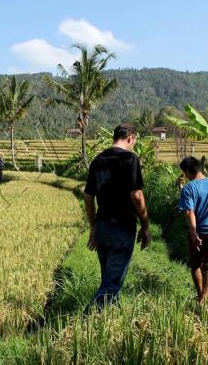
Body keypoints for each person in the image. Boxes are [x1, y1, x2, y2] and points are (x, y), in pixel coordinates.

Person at [84, 123, 151, 311]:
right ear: (130, 138)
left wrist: (93, 226)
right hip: (122, 227)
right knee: (111, 285)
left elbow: (88, 196)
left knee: (109, 280)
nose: (133, 146)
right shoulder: (130, 159)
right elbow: (136, 195)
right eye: (134, 142)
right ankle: (83, 323)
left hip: (103, 227)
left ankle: (111, 318)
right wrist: (145, 225)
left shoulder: (98, 160)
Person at [179, 156, 208, 306]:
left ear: (189, 171)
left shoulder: (189, 188)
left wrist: (194, 233)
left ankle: (199, 297)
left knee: (196, 264)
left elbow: (189, 212)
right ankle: (203, 300)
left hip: (198, 232)